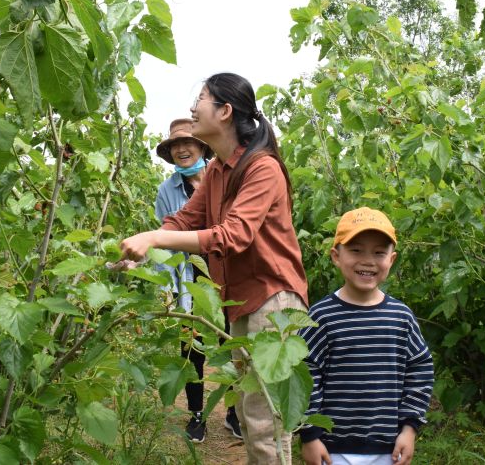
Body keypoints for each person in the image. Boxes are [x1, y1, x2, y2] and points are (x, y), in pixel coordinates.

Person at [120, 72, 308, 464]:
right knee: (252, 411)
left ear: (224, 111)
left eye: (201, 98)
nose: (193, 107)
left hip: (274, 301)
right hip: (242, 301)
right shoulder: (220, 170)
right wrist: (142, 248)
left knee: (264, 420)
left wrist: (154, 239)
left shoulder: (262, 168)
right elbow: (186, 218)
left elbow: (232, 235)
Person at [298, 207, 434, 465]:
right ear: (336, 256)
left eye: (379, 252)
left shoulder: (401, 317)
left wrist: (409, 428)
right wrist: (310, 435)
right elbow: (305, 374)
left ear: (391, 260)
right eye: (356, 250)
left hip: (389, 448)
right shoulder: (321, 316)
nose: (368, 260)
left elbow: (420, 368)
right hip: (332, 447)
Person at [153, 118, 240, 443]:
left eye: (187, 142)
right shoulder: (167, 190)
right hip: (189, 281)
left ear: (202, 145)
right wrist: (170, 290)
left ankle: (233, 412)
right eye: (175, 145)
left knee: (230, 346)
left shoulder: (222, 180)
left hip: (225, 279)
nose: (181, 149)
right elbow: (164, 238)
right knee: (191, 350)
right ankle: (196, 415)